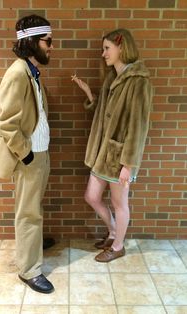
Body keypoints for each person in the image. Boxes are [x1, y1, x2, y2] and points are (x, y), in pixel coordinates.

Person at [72, 28, 152, 263]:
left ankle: (118, 246)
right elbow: (105, 114)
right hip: (102, 155)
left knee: (119, 203)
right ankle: (114, 232)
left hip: (120, 158)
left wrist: (129, 164)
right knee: (91, 196)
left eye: (107, 48)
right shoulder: (112, 78)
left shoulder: (138, 82)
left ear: (121, 47)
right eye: (103, 48)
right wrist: (89, 94)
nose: (103, 53)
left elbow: (138, 127)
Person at [0, 14, 54, 293]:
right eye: (47, 41)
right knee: (28, 213)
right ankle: (29, 269)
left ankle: (33, 243)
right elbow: (6, 122)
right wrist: (26, 154)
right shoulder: (17, 73)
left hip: (40, 153)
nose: (51, 46)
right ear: (31, 42)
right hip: (29, 156)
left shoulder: (31, 70)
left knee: (34, 208)